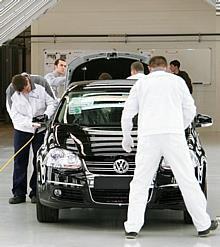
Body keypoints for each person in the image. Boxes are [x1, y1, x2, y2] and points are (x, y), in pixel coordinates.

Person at [121, 56, 218, 239]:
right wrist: (176, 126)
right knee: (187, 179)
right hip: (173, 136)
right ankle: (203, 224)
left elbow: (128, 113)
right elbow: (190, 110)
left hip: (148, 137)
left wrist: (127, 137)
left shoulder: (141, 84)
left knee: (140, 182)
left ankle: (132, 227)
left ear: (149, 68)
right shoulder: (178, 81)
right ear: (166, 68)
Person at [6, 73, 58, 204]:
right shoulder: (11, 91)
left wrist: (45, 116)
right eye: (23, 92)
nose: (26, 92)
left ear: (28, 81)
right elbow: (14, 114)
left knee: (38, 160)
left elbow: (53, 102)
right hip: (22, 129)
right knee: (20, 160)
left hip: (41, 129)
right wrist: (30, 122)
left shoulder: (41, 82)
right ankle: (19, 193)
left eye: (27, 89)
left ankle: (35, 192)